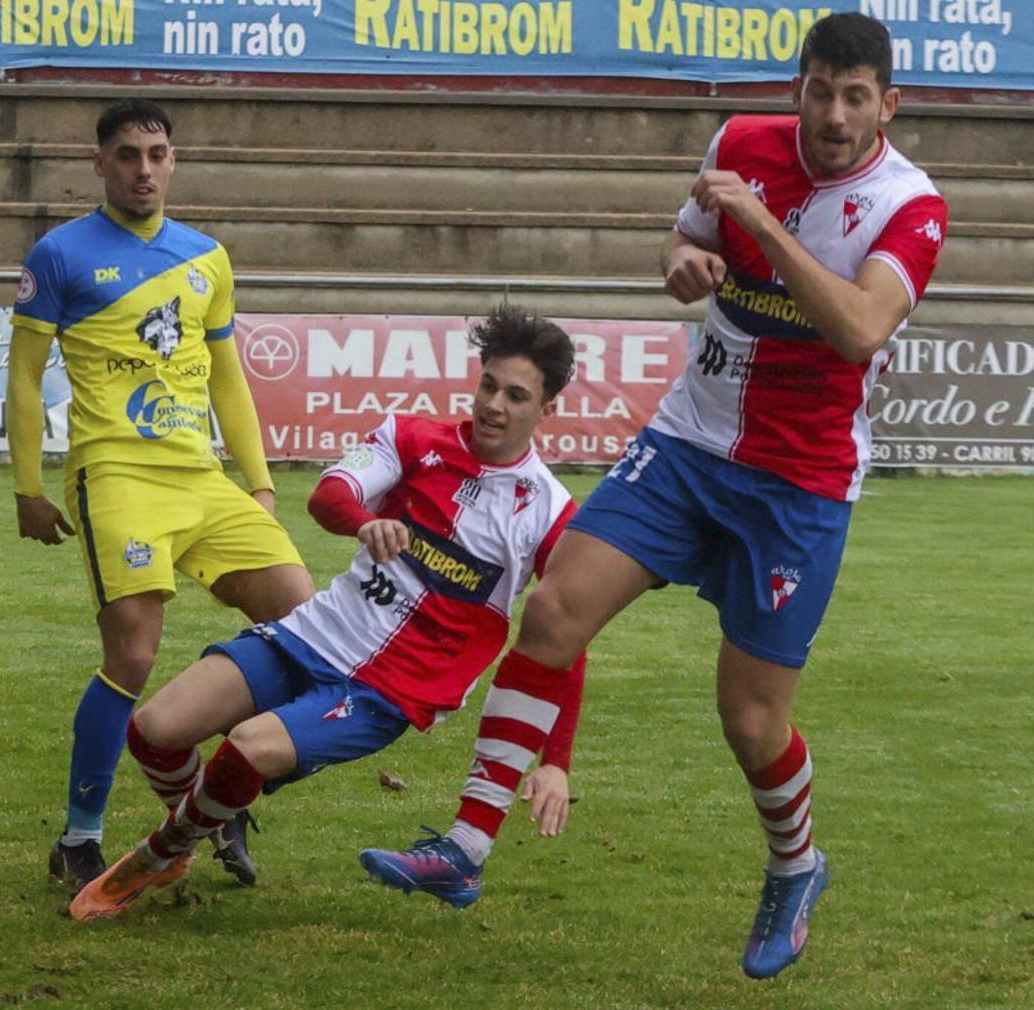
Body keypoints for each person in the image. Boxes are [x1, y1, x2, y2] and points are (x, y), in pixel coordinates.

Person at [360, 12, 947, 981]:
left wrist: (760, 225)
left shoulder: (908, 205)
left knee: (751, 719)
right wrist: (681, 260)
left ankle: (796, 865)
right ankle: (462, 850)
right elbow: (686, 243)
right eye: (820, 90)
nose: (835, 114)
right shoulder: (740, 144)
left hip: (797, 485)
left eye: (857, 97)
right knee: (551, 608)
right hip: (687, 443)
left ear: (888, 105)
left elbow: (858, 327)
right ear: (797, 86)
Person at [66, 306, 587, 922]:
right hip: (311, 635)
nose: (494, 405)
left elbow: (567, 640)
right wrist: (367, 522)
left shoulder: (552, 512)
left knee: (246, 749)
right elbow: (328, 494)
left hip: (391, 691)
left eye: (517, 396)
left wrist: (555, 762)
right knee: (154, 729)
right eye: (489, 385)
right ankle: (213, 814)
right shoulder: (411, 439)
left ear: (547, 410)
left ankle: (165, 851)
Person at [6, 98, 314, 891]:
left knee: (306, 623)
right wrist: (29, 489)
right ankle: (80, 838)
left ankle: (210, 794)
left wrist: (259, 482)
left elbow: (227, 377)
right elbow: (25, 376)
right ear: (100, 163)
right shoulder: (61, 255)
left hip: (202, 480)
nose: (143, 169)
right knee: (133, 656)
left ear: (173, 160)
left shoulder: (207, 256)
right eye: (127, 155)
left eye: (156, 154)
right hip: (117, 477)